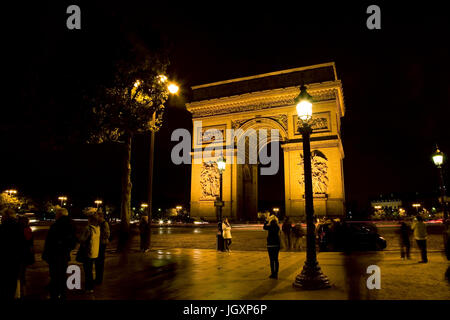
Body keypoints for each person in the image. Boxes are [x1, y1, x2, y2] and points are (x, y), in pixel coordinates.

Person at [42, 207, 77, 300]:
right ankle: (62, 291)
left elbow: (50, 241)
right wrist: (67, 248)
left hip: (54, 254)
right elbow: (74, 241)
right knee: (62, 273)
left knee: (55, 274)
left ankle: (55, 292)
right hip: (64, 253)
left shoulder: (56, 225)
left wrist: (46, 254)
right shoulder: (71, 225)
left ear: (59, 215)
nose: (55, 216)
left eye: (56, 214)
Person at [0, 208, 25, 299]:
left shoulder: (3, 228)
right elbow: (22, 244)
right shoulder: (19, 227)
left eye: (2, 216)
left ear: (6, 216)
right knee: (12, 280)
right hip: (15, 258)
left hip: (4, 258)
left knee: (4, 280)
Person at [79, 214, 101, 292]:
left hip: (88, 252)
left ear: (90, 220)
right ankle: (90, 287)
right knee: (90, 270)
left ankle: (89, 287)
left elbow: (82, 239)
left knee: (87, 271)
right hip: (95, 252)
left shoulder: (88, 228)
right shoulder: (98, 228)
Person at [18, 216, 35, 298]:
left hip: (17, 252)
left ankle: (20, 284)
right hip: (24, 252)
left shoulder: (16, 228)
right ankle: (22, 285)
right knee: (22, 269)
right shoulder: (27, 229)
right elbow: (29, 241)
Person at [95, 209, 110, 285]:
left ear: (100, 216)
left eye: (97, 215)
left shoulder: (104, 223)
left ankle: (99, 279)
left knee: (100, 262)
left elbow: (107, 234)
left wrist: (98, 236)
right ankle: (97, 278)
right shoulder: (98, 223)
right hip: (98, 244)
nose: (96, 217)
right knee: (98, 262)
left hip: (102, 244)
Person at [263, 214, 280, 279]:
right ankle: (276, 274)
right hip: (276, 244)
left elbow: (264, 227)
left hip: (270, 244)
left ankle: (272, 273)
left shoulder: (269, 226)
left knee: (271, 260)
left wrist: (266, 221)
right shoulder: (277, 227)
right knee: (276, 259)